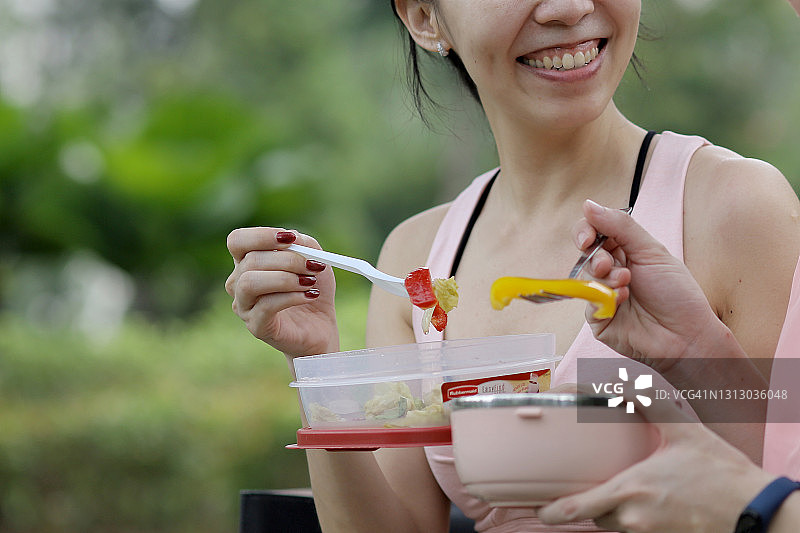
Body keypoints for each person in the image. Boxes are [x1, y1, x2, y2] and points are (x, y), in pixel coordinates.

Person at [225, 1, 800, 531]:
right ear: (425, 16)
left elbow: (782, 476)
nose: (570, 7)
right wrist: (317, 366)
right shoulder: (417, 253)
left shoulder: (736, 208)